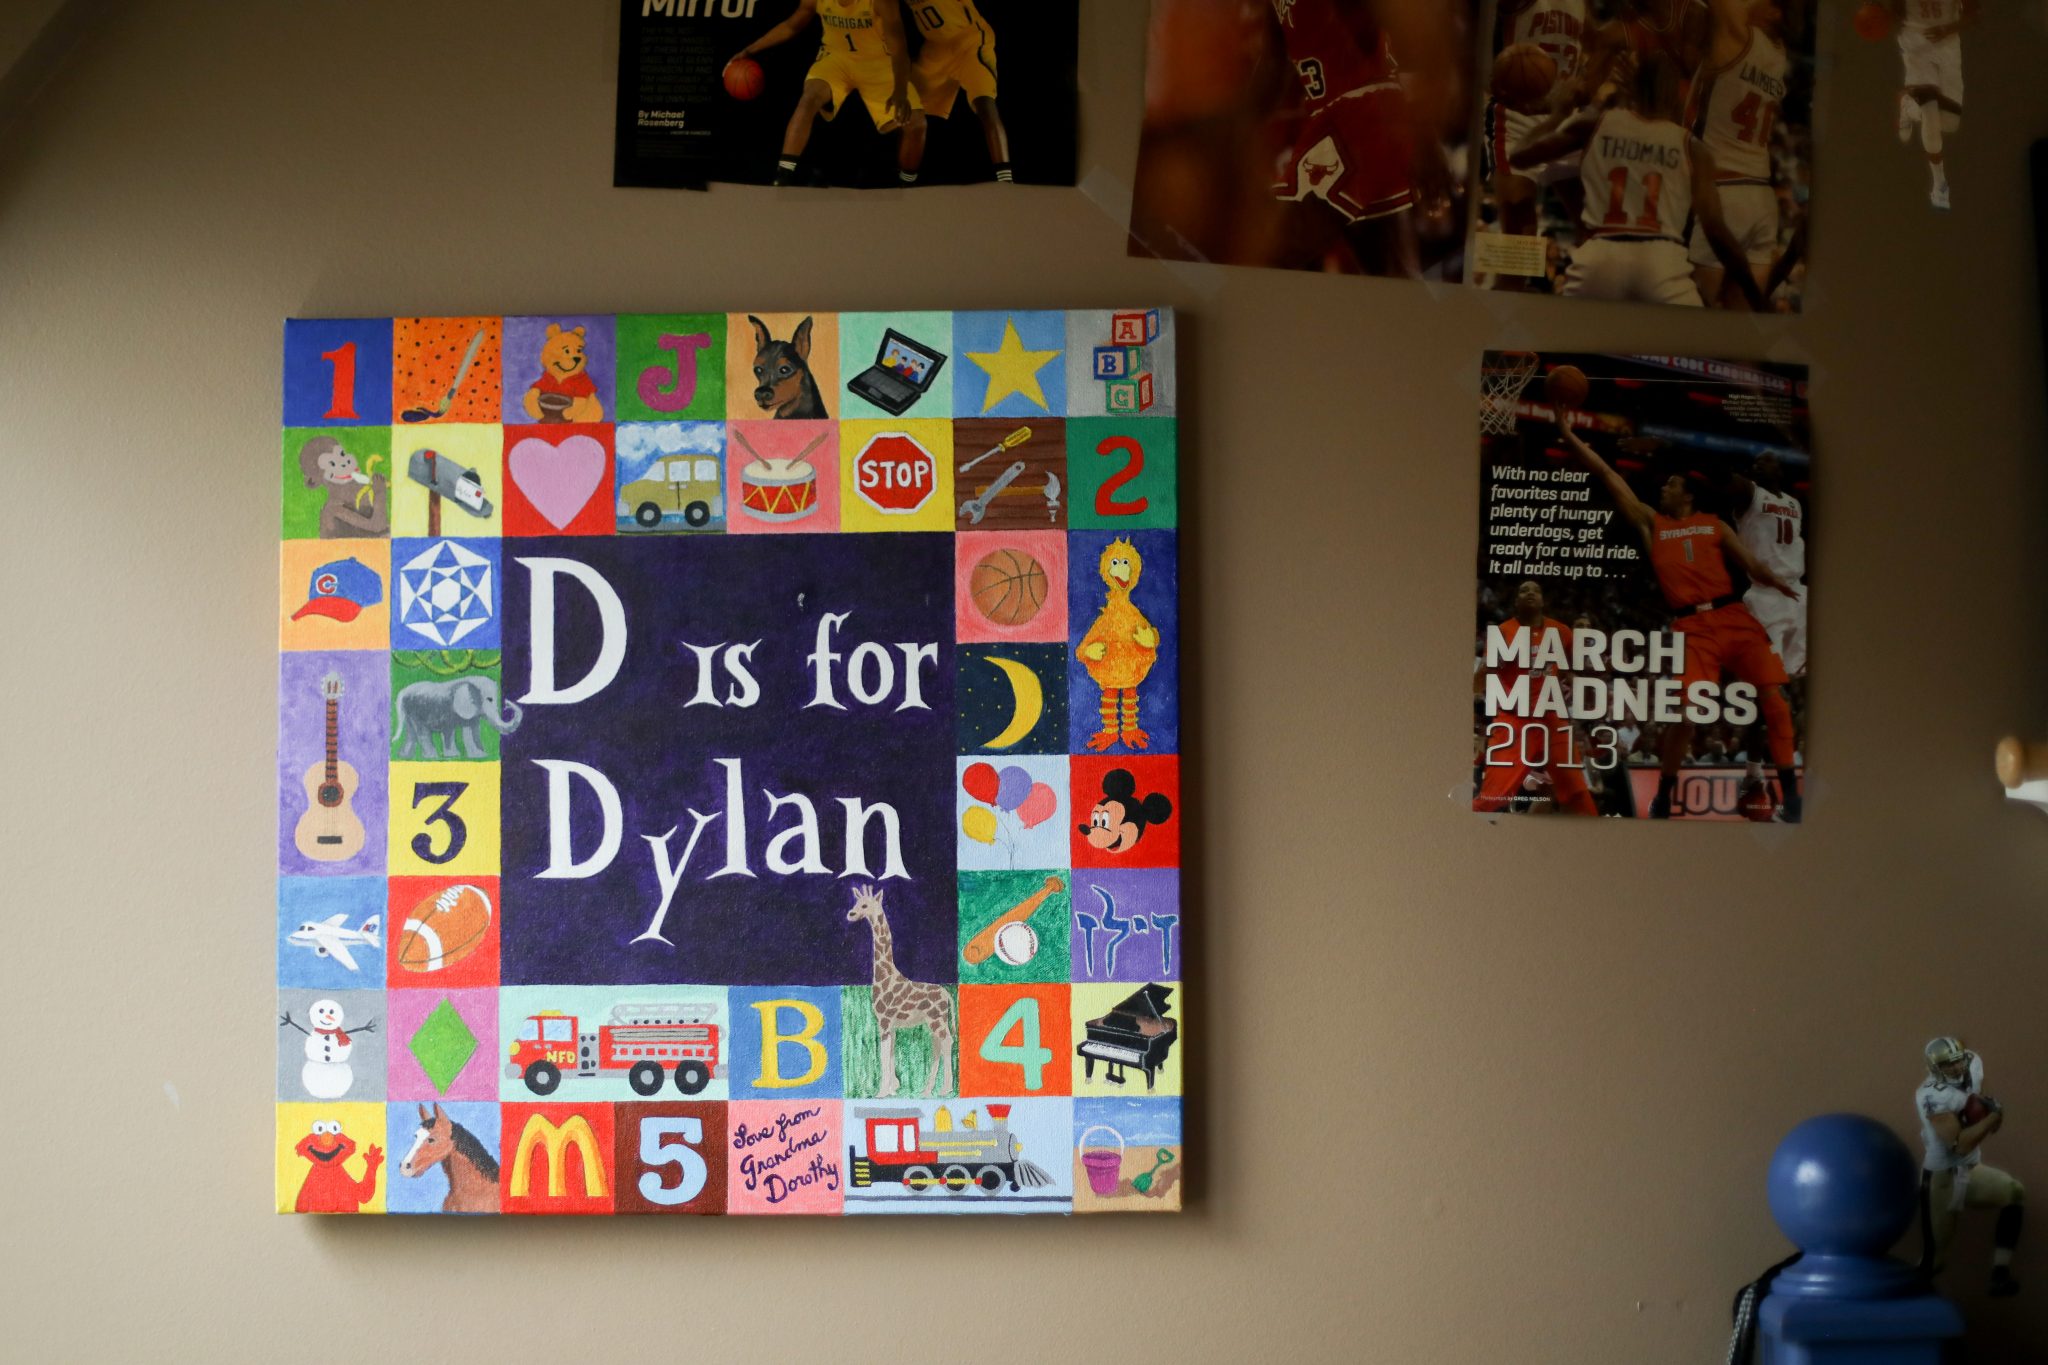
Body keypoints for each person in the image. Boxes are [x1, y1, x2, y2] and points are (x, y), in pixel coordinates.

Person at [1552, 408, 1802, 819]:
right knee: (1686, 716)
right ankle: (1665, 794)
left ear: (1687, 494)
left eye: (1670, 484)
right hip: (1692, 626)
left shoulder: (1716, 525)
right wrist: (1571, 437)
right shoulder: (1653, 524)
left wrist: (1780, 584)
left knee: (1774, 700)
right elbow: (1609, 475)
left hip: (1733, 616)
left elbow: (1752, 566)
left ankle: (1791, 795)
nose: (1663, 488)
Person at [1512, 51, 1762, 308]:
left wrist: (1557, 114)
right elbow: (1716, 232)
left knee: (1570, 333)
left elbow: (1519, 156)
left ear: (1632, 86)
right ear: (1676, 93)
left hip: (1600, 257)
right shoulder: (1692, 147)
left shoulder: (1596, 124)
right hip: (1661, 260)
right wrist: (1756, 296)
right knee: (1694, 333)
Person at [1266, 0, 1432, 278]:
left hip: (1364, 115)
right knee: (1394, 277)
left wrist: (1425, 134)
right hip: (1338, 122)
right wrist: (1232, 128)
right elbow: (1272, 69)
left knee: (1271, 251)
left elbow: (1406, 30)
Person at [732, 0, 924, 187]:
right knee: (809, 99)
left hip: (878, 63)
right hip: (835, 59)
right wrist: (749, 50)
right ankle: (783, 175)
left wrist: (901, 91)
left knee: (916, 124)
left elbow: (899, 49)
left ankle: (907, 183)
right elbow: (791, 26)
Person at [1685, 1, 1790, 308]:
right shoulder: (1779, 55)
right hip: (1761, 197)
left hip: (1722, 190)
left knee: (1696, 315)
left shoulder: (1738, 38)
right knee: (1741, 322)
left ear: (1775, 12)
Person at [1475, 580, 1601, 816]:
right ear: (1516, 602)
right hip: (1514, 719)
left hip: (1551, 719)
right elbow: (1478, 684)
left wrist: (1572, 681)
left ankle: (1593, 836)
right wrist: (1486, 669)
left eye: (1536, 590)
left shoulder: (1561, 632)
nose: (1530, 593)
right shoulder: (1503, 632)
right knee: (1494, 797)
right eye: (1524, 590)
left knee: (1576, 792)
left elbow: (1570, 669)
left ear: (1543, 601)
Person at [1916, 1037, 2023, 1296]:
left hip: (1971, 1171)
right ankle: (1900, 1309)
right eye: (1947, 1064)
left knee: (2014, 1192)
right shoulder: (1932, 1095)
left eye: (1958, 1060)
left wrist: (1980, 1111)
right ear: (1933, 1068)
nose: (1956, 1068)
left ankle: (1999, 1274)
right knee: (1935, 1261)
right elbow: (1959, 1145)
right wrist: (1992, 1117)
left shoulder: (1973, 1063)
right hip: (1941, 1179)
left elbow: (1973, 1100)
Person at [906, 0, 1012, 182]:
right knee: (909, 112)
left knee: (985, 105)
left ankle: (1005, 179)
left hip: (969, 41)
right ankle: (905, 179)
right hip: (936, 48)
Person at [1892, 0, 1973, 209]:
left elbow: (1973, 12)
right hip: (1916, 42)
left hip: (1947, 46)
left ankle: (1908, 104)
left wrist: (1948, 28)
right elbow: (1896, 12)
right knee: (1930, 111)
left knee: (1949, 123)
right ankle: (1940, 184)